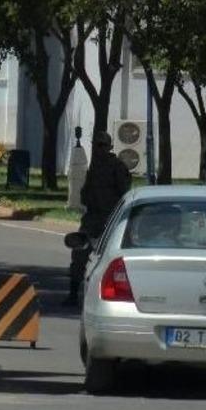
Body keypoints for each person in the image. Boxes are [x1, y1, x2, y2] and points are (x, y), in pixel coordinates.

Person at [65, 130, 132, 306]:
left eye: (103, 145)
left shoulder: (117, 167)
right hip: (92, 218)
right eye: (96, 145)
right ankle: (73, 293)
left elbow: (125, 193)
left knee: (110, 257)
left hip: (110, 219)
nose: (99, 149)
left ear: (110, 147)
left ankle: (111, 295)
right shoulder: (94, 167)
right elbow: (85, 192)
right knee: (79, 253)